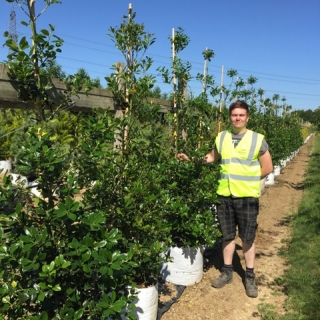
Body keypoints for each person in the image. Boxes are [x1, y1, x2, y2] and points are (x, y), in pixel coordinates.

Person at [178, 100, 273, 298]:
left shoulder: (257, 139)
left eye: (241, 115)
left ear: (247, 117)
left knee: (247, 237)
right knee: (227, 235)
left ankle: (249, 275)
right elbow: (212, 157)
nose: (237, 118)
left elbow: (268, 167)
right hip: (225, 195)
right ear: (230, 117)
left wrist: (251, 183)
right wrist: (191, 159)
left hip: (246, 197)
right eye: (234, 115)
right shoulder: (222, 137)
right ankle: (227, 271)